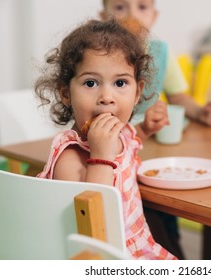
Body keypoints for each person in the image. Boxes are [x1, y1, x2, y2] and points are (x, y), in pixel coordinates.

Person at [34, 19, 176, 260]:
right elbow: (90, 223)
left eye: (120, 83)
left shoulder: (119, 135)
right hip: (100, 256)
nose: (107, 97)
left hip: (138, 246)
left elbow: (128, 141)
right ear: (66, 93)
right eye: (91, 83)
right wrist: (100, 157)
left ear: (137, 91)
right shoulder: (71, 158)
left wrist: (145, 129)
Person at [99, 0, 211, 260]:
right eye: (121, 7)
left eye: (142, 7)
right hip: (112, 150)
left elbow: (179, 97)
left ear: (154, 16)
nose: (133, 15)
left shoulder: (160, 51)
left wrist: (202, 112)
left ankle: (169, 248)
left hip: (150, 145)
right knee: (152, 208)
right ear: (104, 16)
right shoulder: (99, 55)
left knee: (165, 206)